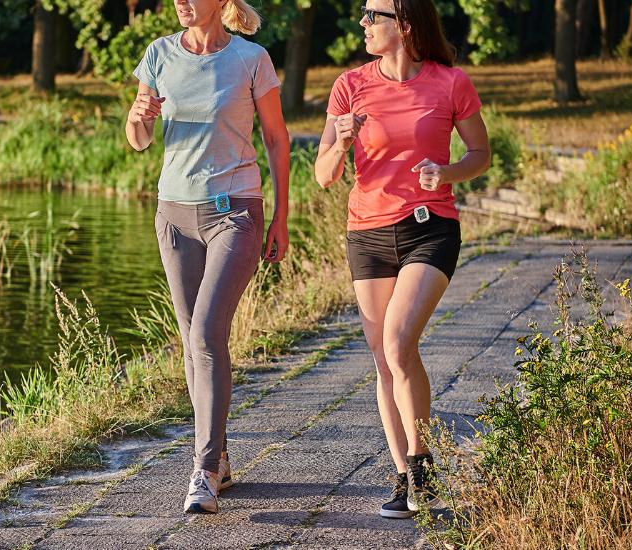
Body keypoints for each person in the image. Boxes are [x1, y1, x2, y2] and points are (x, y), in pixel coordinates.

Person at [313, 0, 490, 520]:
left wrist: (448, 171)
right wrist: (340, 142)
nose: (363, 24)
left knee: (397, 342)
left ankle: (421, 463)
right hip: (367, 233)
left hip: (429, 228)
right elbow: (324, 175)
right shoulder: (349, 86)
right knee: (384, 359)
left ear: (405, 25)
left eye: (374, 15)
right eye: (364, 15)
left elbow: (480, 154)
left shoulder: (450, 83)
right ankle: (405, 476)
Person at [125, 0, 290, 515]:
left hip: (234, 212)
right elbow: (139, 141)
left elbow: (276, 138)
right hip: (173, 215)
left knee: (205, 333)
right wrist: (138, 118)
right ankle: (217, 457)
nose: (181, 2)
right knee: (190, 341)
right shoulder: (157, 55)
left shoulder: (250, 59)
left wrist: (281, 215)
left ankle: (201, 469)